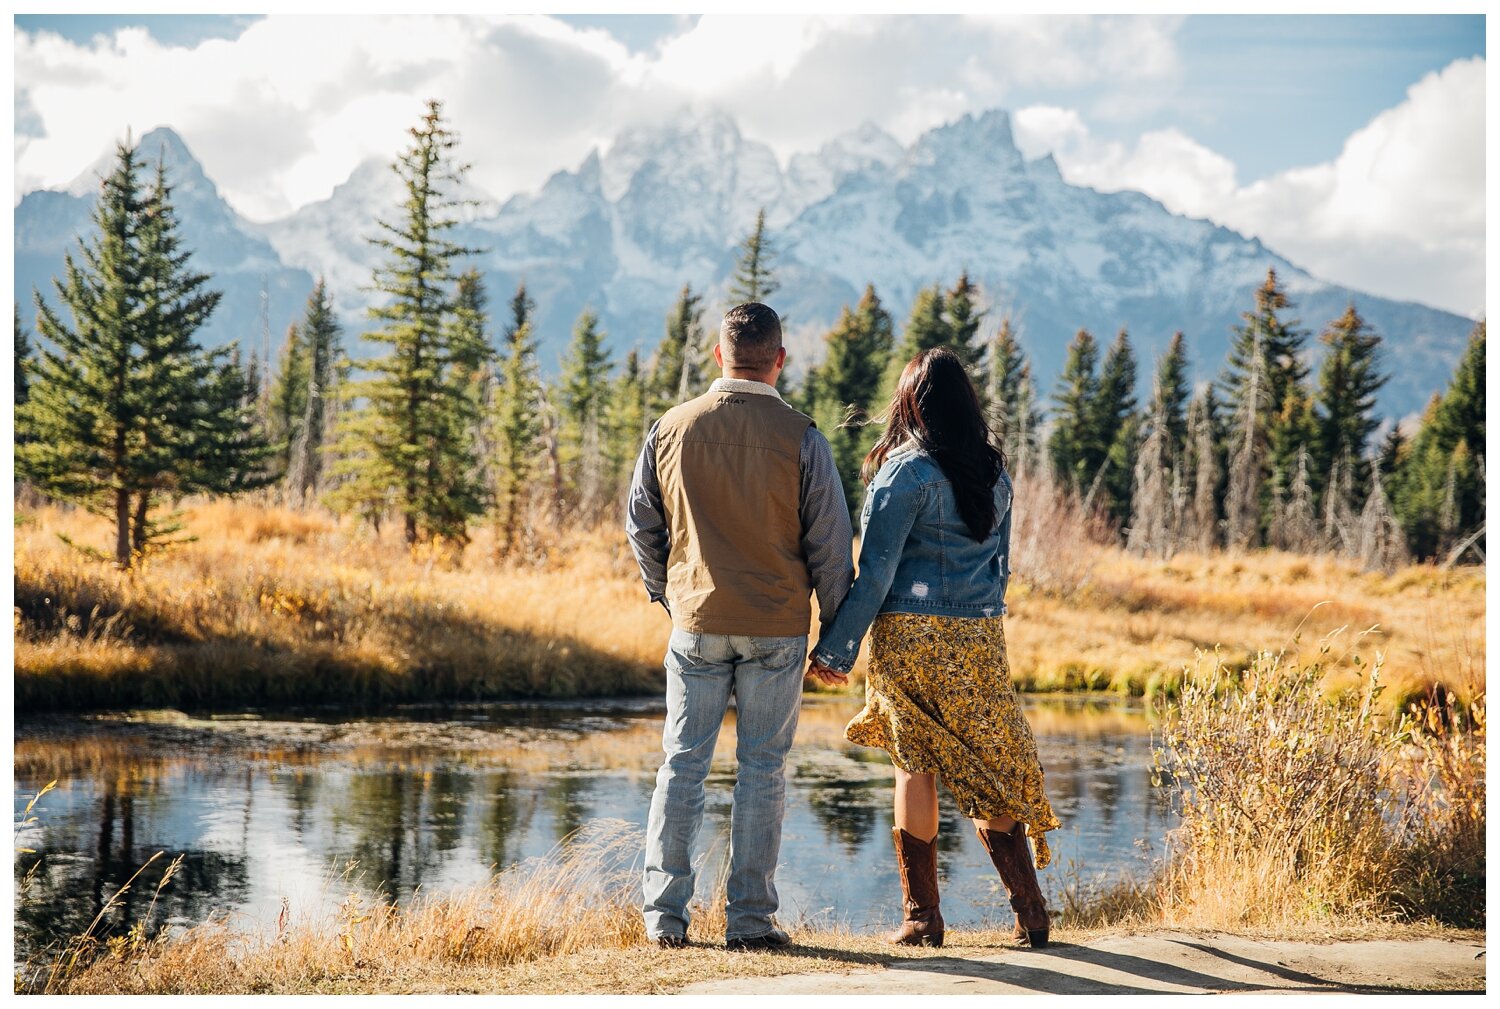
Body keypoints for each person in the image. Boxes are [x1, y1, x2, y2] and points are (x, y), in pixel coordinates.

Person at [806, 347, 1061, 949]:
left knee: (913, 765)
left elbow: (875, 577)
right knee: (987, 769)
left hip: (911, 638)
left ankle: (923, 919)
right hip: (978, 640)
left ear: (911, 403)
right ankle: (1031, 912)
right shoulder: (994, 473)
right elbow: (999, 570)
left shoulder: (903, 472)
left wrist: (835, 651)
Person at [626, 301, 854, 951]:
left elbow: (641, 525)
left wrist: (667, 593)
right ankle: (750, 921)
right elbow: (831, 549)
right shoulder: (804, 436)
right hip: (778, 629)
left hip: (695, 621)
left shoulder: (670, 428)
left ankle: (664, 918)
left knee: (682, 764)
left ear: (718, 353)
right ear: (780, 359)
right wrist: (836, 636)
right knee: (763, 769)